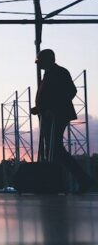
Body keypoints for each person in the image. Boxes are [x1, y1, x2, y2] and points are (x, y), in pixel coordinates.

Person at [31, 49, 93, 193]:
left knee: (55, 148)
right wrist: (40, 108)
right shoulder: (48, 75)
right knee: (53, 149)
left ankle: (79, 179)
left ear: (48, 60)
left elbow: (70, 91)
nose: (38, 65)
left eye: (40, 61)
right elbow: (50, 95)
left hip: (57, 115)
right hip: (49, 115)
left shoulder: (59, 72)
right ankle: (62, 180)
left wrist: (52, 108)